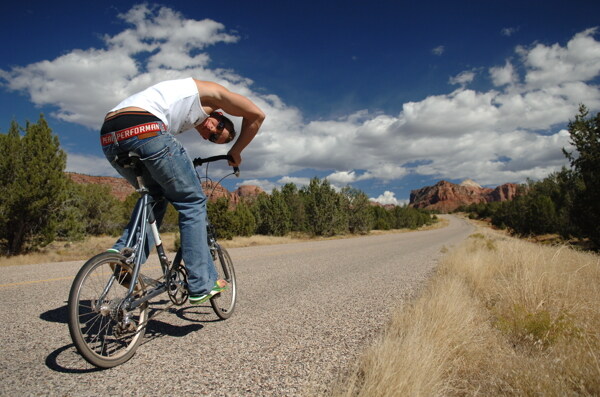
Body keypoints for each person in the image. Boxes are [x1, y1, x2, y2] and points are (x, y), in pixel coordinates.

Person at [100, 77, 265, 304]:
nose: (210, 134)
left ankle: (124, 254)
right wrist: (236, 151)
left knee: (155, 194)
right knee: (192, 201)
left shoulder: (182, 114)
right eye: (218, 130)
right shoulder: (214, 93)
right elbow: (257, 115)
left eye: (213, 139)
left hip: (110, 135)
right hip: (145, 126)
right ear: (220, 115)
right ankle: (201, 284)